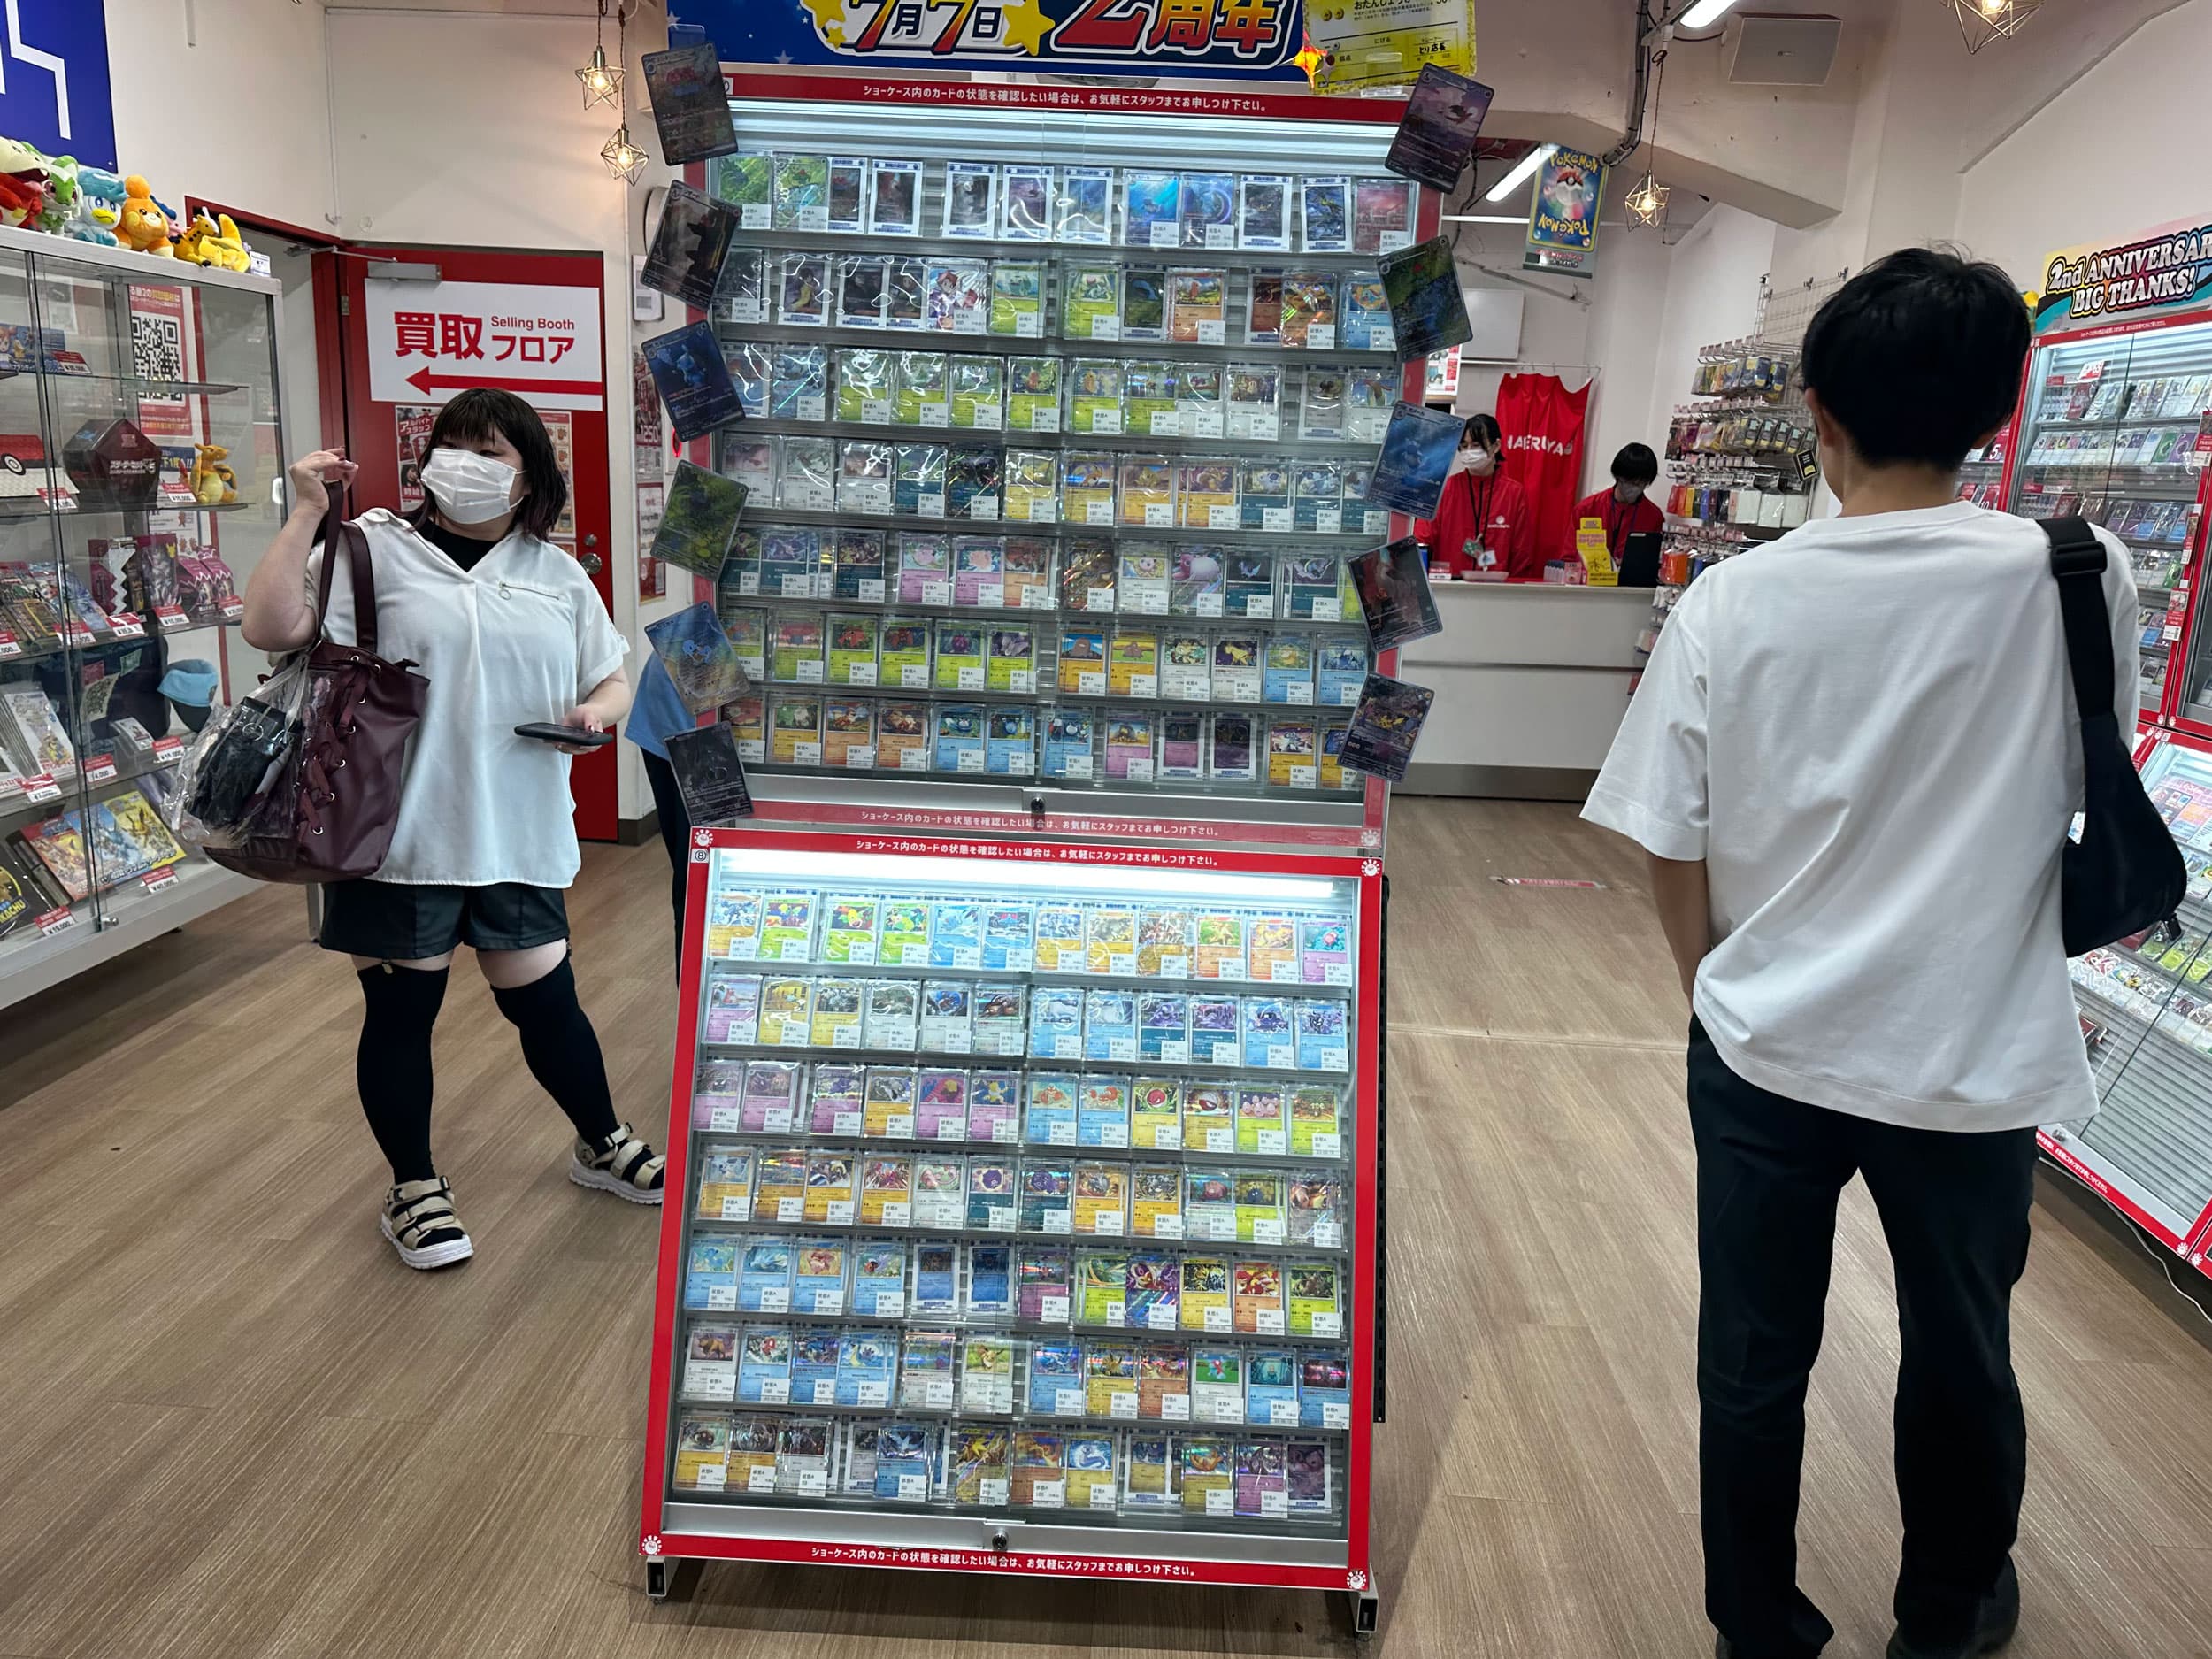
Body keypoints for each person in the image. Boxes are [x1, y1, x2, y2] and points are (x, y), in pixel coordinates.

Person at [1581, 247, 2136, 1659]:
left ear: (1816, 410)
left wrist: (1706, 986)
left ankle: (1756, 1620)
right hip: (1978, 1045)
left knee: (1756, 1357)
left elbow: (1669, 831)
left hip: (1768, 1037)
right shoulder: (2081, 575)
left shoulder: (1735, 601)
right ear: (1998, 412)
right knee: (1963, 1346)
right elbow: (2085, 772)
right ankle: (1947, 1610)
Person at [242, 389, 667, 1272]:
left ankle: (601, 1139)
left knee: (545, 1001)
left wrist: (596, 711)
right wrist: (307, 516)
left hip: (516, 826)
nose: (470, 465)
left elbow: (613, 676)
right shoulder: (370, 553)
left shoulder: (552, 572)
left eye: (496, 454)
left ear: (528, 478)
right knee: (404, 1010)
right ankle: (414, 1188)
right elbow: (269, 627)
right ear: (428, 460)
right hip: (395, 834)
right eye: (456, 446)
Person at [627, 652, 699, 944]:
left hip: (678, 690)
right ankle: (695, 985)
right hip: (679, 708)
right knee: (698, 874)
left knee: (695, 872)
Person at [1412, 412, 1537, 580]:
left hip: (1497, 591)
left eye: (1476, 445)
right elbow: (1422, 541)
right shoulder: (1445, 490)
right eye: (1464, 445)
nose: (1469, 451)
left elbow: (1522, 555)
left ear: (1496, 446)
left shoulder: (1513, 493)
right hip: (1451, 587)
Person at [1571, 442, 1664, 565]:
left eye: (1640, 483)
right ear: (1618, 477)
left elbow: (1651, 562)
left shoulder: (1654, 516)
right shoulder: (1587, 509)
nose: (1633, 488)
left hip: (1630, 583)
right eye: (1629, 481)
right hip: (1588, 581)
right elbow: (1568, 558)